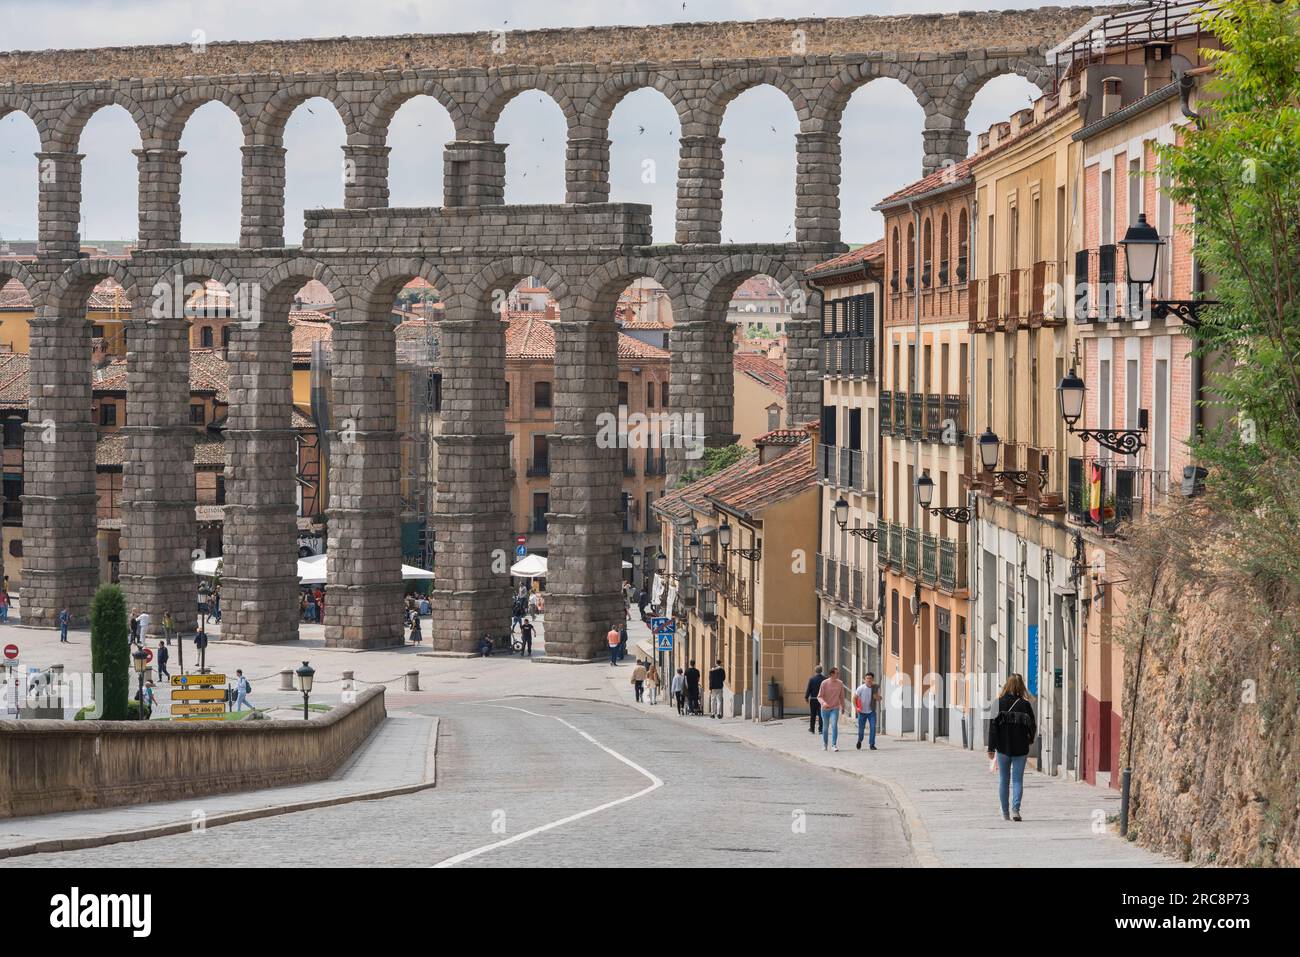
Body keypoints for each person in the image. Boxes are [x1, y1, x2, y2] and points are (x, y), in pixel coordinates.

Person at [987, 673, 1037, 822]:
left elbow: (992, 728)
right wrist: (1029, 739)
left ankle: (1005, 813)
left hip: (1002, 748)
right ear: (1021, 687)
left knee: (1003, 779)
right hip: (1021, 748)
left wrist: (991, 748)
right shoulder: (1025, 705)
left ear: (1006, 686)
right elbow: (1032, 726)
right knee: (1017, 780)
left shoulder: (997, 703)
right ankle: (1016, 809)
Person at [817, 666, 846, 751]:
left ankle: (834, 745)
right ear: (831, 674)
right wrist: (823, 703)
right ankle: (825, 744)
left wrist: (843, 707)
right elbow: (819, 696)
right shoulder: (824, 683)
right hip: (825, 708)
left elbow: (841, 696)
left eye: (838, 673)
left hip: (835, 708)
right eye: (837, 673)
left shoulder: (840, 683)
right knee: (825, 727)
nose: (838, 674)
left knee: (834, 725)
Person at [854, 672, 881, 751]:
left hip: (871, 712)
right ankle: (860, 740)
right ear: (865, 679)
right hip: (862, 712)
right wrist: (856, 708)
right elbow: (854, 698)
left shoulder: (876, 688)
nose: (868, 680)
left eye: (870, 679)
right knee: (861, 729)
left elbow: (879, 699)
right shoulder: (861, 688)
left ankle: (872, 744)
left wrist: (877, 697)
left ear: (873, 679)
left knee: (873, 728)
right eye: (867, 678)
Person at [805, 666, 826, 735]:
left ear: (815, 671)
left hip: (813, 699)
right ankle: (820, 729)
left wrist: (806, 697)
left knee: (813, 714)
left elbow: (809, 689)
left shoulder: (812, 679)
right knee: (821, 714)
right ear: (821, 671)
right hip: (822, 700)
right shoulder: (824, 679)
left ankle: (812, 729)